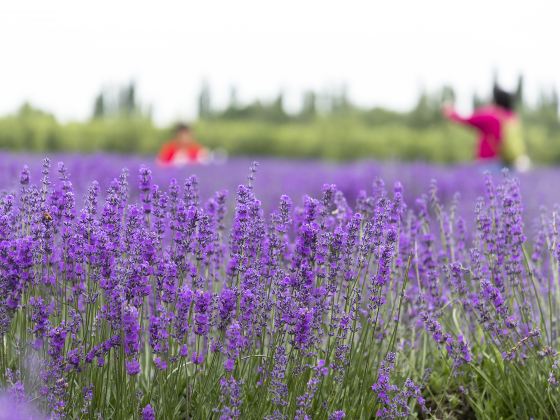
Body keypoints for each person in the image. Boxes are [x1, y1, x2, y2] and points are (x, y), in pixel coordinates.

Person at [443, 85, 530, 172]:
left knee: (486, 184)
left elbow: (466, 119)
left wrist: (451, 112)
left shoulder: (491, 116)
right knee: (505, 185)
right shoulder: (513, 117)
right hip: (508, 162)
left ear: (495, 100)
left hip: (488, 162)